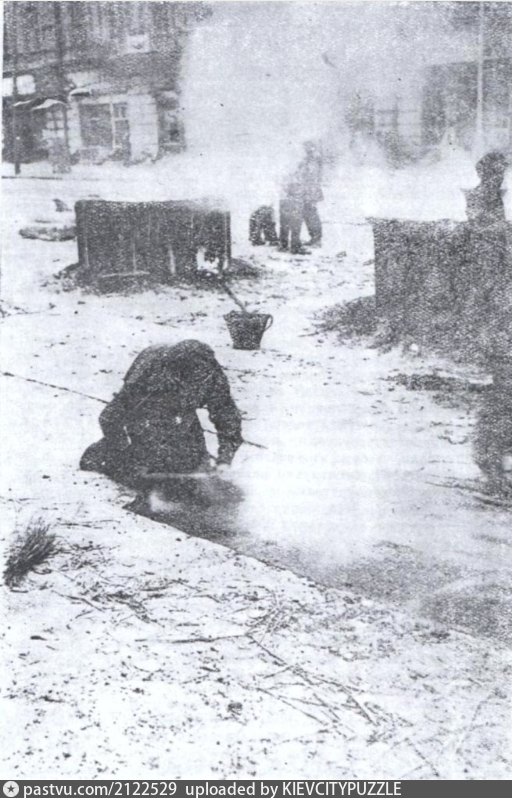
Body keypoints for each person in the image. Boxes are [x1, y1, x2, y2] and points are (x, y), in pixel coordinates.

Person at [80, 340, 243, 487]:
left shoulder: (214, 379)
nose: (195, 382)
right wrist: (122, 448)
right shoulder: (148, 376)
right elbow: (109, 417)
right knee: (145, 472)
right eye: (187, 380)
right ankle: (102, 452)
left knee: (194, 465)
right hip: (150, 409)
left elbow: (228, 419)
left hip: (182, 409)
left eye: (200, 379)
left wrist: (224, 460)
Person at [279, 140, 324, 254]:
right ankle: (314, 238)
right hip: (303, 192)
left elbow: (312, 177)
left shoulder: (313, 160)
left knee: (311, 214)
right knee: (305, 214)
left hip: (310, 192)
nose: (306, 149)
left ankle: (316, 239)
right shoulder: (305, 160)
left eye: (308, 147)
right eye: (305, 147)